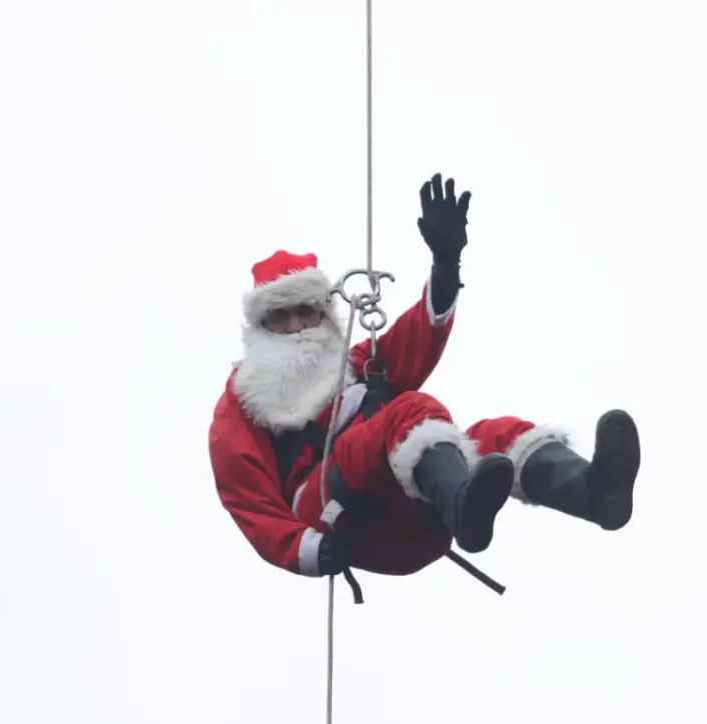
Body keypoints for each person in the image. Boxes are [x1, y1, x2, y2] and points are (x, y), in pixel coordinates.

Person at [208, 173, 641, 580]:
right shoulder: (244, 398)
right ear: (262, 325)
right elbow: (247, 498)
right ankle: (463, 505)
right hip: (335, 513)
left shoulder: (358, 365)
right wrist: (305, 550)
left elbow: (417, 338)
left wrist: (445, 264)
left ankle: (592, 493)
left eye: (308, 311)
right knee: (409, 413)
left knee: (496, 435)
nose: (299, 324)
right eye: (282, 315)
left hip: (412, 514)